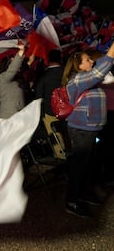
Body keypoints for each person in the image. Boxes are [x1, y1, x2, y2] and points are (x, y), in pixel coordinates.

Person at [61, 43, 114, 218]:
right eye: (88, 60)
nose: (92, 61)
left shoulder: (88, 79)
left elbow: (100, 72)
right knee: (79, 165)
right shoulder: (78, 79)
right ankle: (72, 202)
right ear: (79, 65)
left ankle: (82, 193)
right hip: (81, 130)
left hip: (90, 130)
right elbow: (101, 68)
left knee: (88, 164)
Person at [34, 49, 67, 159]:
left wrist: (41, 112)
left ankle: (60, 155)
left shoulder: (44, 76)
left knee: (54, 134)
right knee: (67, 132)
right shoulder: (66, 73)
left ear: (48, 60)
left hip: (50, 110)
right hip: (67, 109)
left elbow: (39, 95)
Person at [0, 41, 27, 118]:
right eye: (12, 62)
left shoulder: (18, 79)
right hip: (8, 118)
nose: (18, 65)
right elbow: (13, 68)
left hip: (19, 118)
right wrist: (21, 51)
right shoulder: (3, 78)